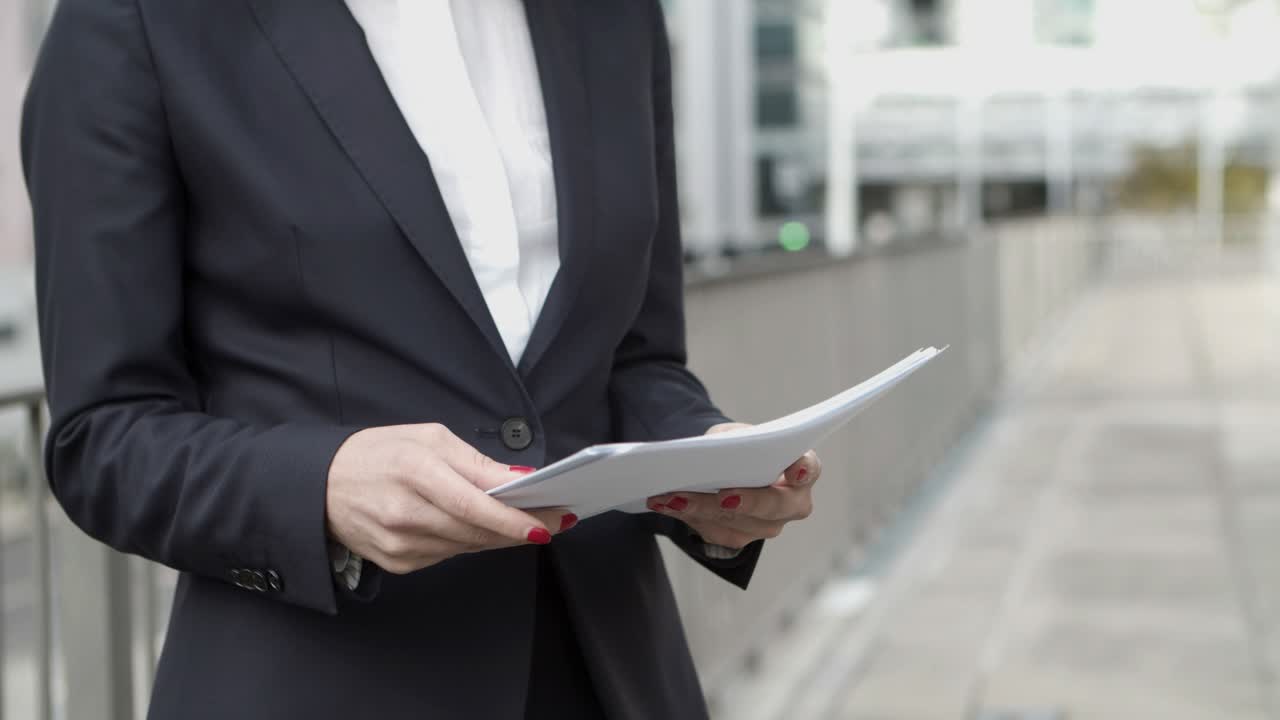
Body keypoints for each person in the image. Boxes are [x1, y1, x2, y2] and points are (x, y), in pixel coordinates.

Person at [21, 0, 823, 717]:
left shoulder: (615, 17)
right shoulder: (133, 21)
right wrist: (323, 487)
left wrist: (713, 461)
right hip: (321, 680)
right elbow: (103, 437)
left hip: (613, 672)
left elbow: (637, 362)